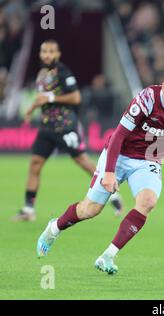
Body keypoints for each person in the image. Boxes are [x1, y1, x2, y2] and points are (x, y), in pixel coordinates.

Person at [36, 65, 164, 275]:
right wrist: (110, 172)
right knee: (90, 210)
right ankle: (54, 228)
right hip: (120, 154)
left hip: (148, 160)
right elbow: (118, 135)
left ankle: (108, 256)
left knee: (148, 202)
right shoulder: (147, 99)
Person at [13, 39, 123, 221]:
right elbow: (42, 98)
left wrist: (50, 98)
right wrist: (31, 109)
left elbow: (76, 97)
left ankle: (113, 193)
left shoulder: (63, 73)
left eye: (51, 52)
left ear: (58, 54)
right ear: (40, 54)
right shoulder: (42, 74)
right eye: (44, 51)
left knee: (83, 162)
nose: (47, 55)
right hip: (47, 127)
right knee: (35, 164)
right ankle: (28, 209)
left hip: (65, 126)